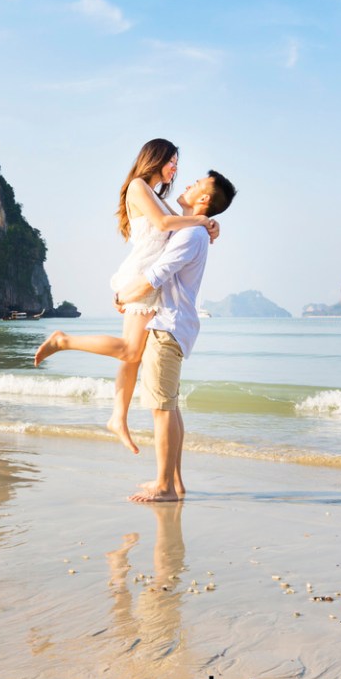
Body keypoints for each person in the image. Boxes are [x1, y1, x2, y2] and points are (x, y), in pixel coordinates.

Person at [34, 139, 218, 454]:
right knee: (131, 352)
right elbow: (164, 225)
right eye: (171, 160)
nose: (175, 167)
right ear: (155, 158)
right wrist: (200, 220)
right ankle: (63, 340)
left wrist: (210, 225)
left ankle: (118, 418)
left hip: (149, 279)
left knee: (131, 357)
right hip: (142, 277)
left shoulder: (160, 199)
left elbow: (179, 228)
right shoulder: (137, 187)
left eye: (177, 162)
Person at [117, 171, 234, 502]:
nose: (187, 184)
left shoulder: (190, 235)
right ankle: (176, 482)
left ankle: (164, 486)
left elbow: (155, 276)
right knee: (170, 406)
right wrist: (210, 224)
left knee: (162, 409)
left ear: (204, 200)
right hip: (175, 324)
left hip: (167, 325)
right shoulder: (194, 230)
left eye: (195, 184)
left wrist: (122, 297)